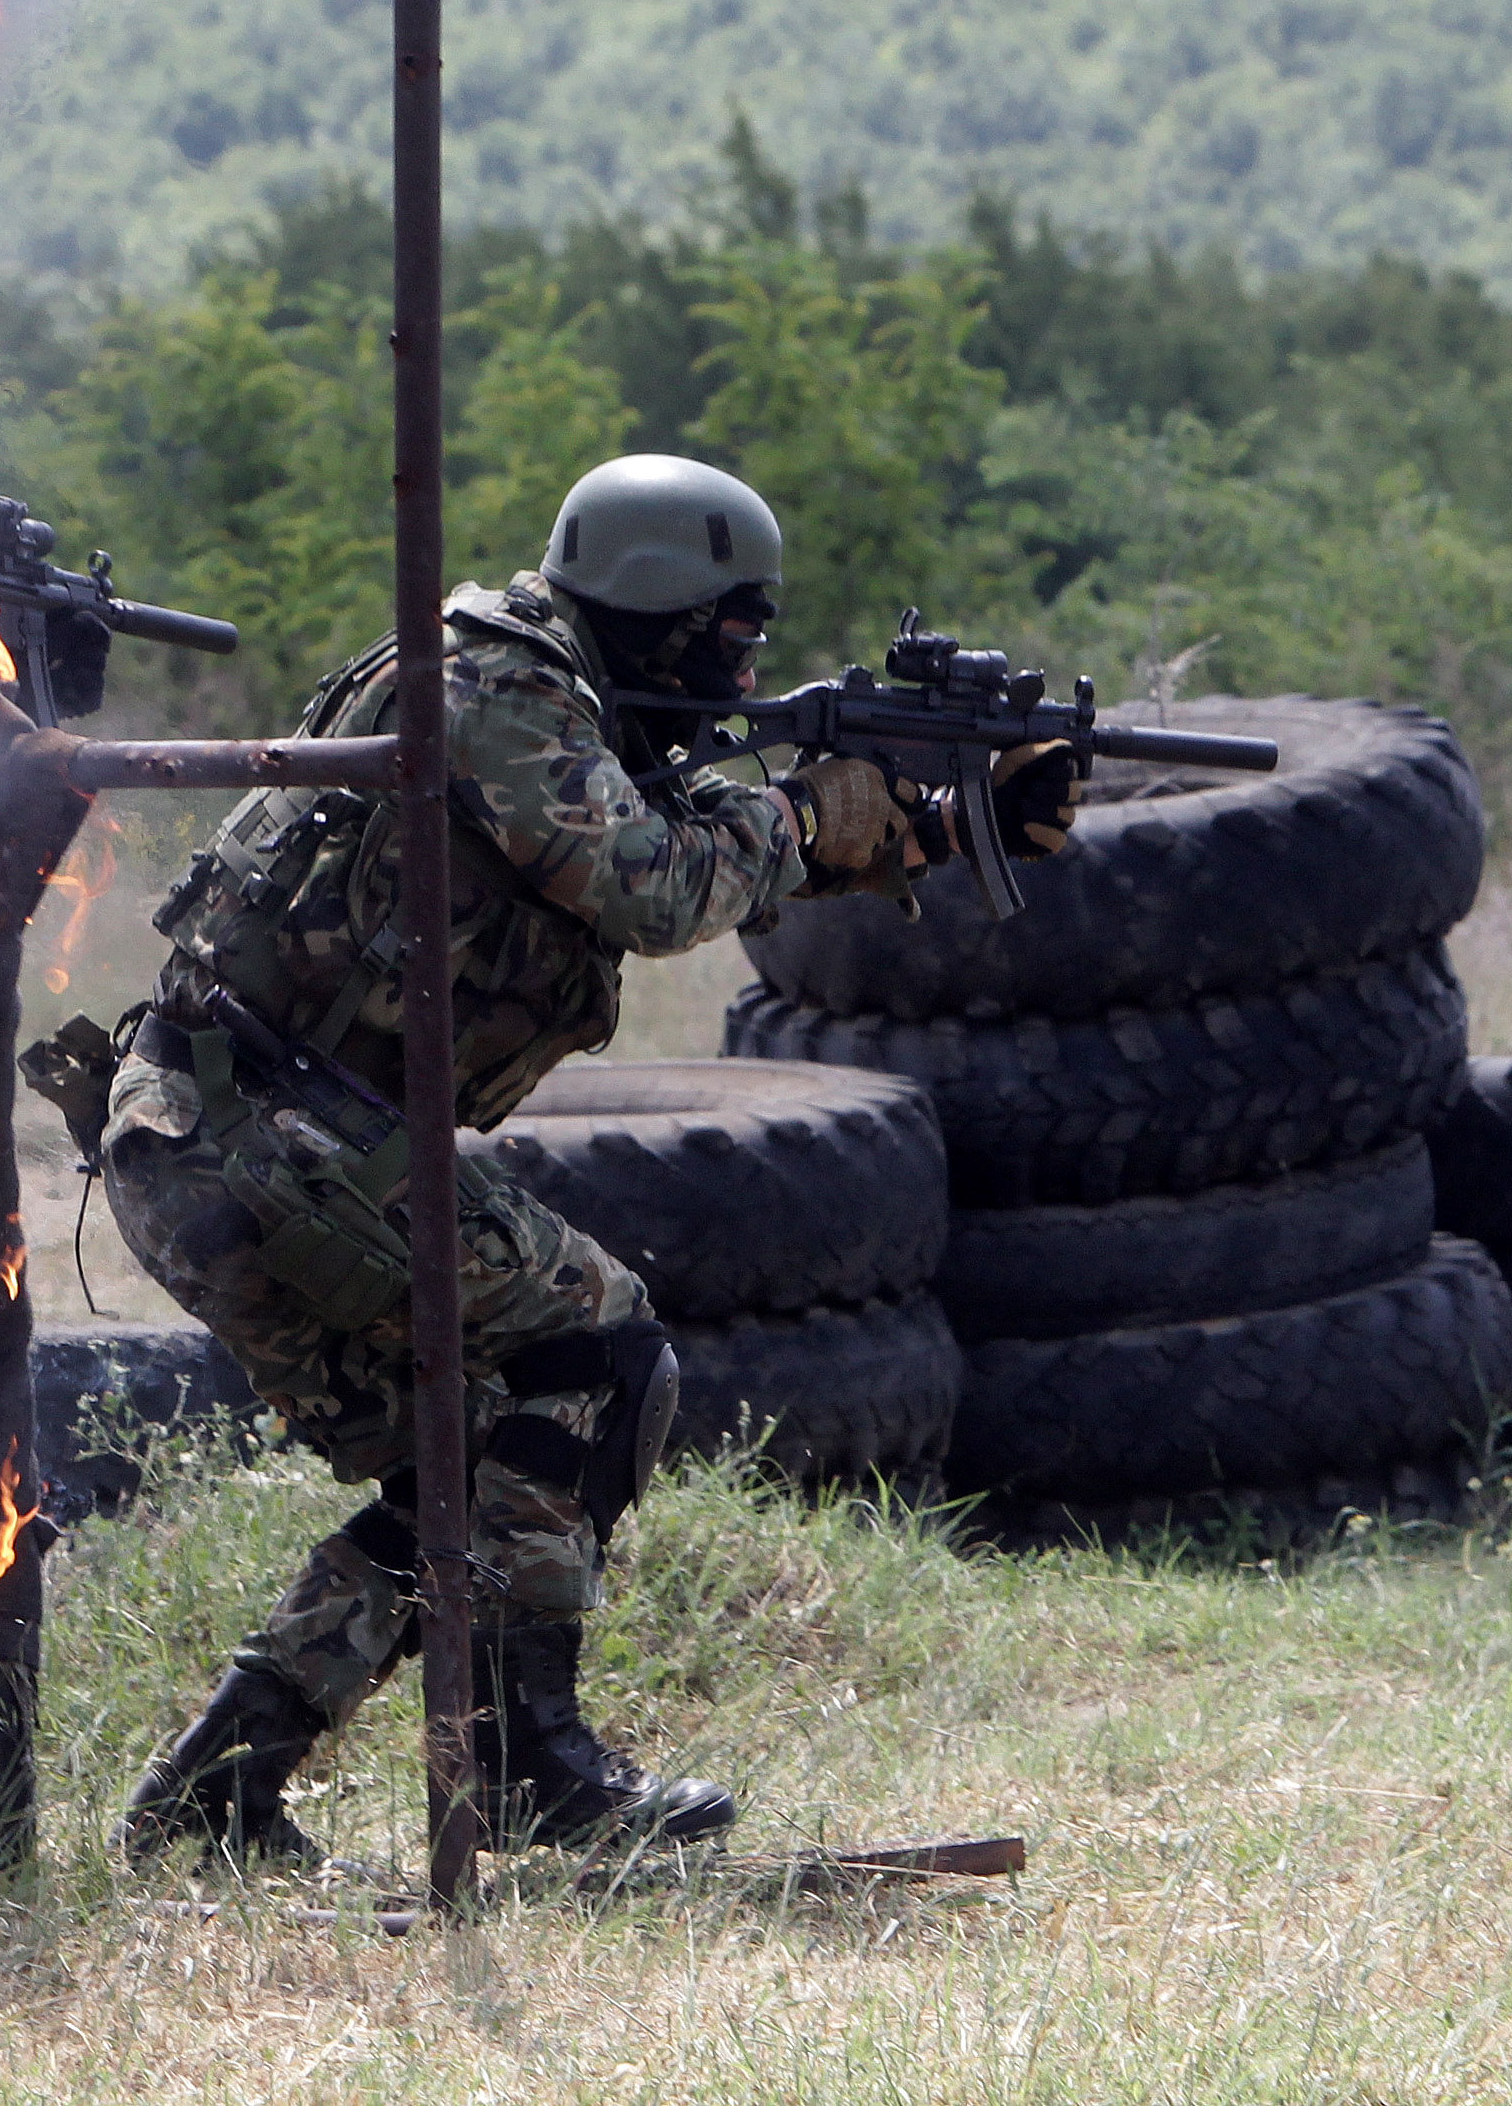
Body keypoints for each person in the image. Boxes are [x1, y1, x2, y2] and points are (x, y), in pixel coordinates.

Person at [94, 453, 1077, 1867]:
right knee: (595, 1350)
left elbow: (676, 840)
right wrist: (799, 816)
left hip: (251, 1133)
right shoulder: (501, 685)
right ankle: (525, 1762)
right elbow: (646, 877)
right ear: (657, 605)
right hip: (256, 1129)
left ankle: (213, 1791)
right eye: (729, 632)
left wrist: (933, 822)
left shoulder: (550, 688)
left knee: (479, 1466)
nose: (743, 661)